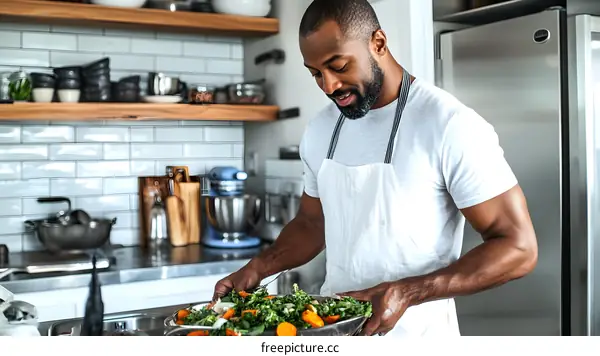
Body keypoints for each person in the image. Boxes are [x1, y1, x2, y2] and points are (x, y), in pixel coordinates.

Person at [212, 0, 538, 337]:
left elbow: (518, 247)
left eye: (338, 66)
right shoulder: (321, 129)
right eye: (315, 74)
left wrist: (407, 291)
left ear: (378, 43)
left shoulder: (449, 125)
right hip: (335, 332)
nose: (328, 86)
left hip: (418, 338)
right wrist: (258, 268)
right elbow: (312, 222)